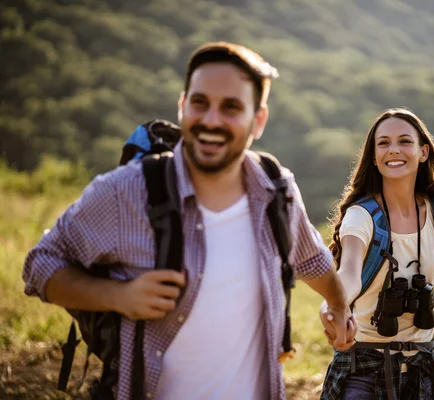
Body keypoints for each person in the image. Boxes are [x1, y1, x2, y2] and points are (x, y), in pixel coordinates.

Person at [22, 41, 356, 400]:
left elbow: (309, 259)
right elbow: (40, 265)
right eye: (200, 103)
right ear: (183, 106)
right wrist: (118, 297)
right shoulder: (127, 191)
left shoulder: (276, 190)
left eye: (231, 107)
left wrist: (338, 306)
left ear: (258, 120)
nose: (211, 120)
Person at [319, 108, 434, 399]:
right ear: (374, 157)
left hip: (422, 365)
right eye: (383, 143)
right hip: (362, 367)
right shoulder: (361, 216)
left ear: (424, 152)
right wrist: (333, 306)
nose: (394, 150)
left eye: (404, 141)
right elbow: (348, 272)